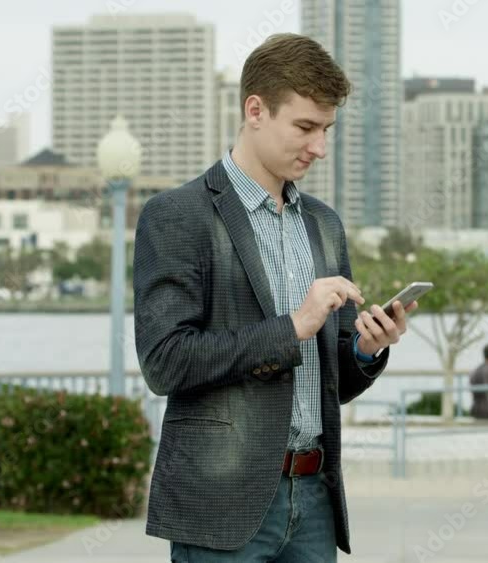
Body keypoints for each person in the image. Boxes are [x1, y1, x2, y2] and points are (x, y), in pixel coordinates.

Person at [133, 33, 418, 563]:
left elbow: (331, 381)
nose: (319, 148)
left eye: (327, 130)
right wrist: (293, 326)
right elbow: (164, 363)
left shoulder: (324, 225)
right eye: (306, 127)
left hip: (313, 502)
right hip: (222, 508)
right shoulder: (176, 216)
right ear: (256, 110)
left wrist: (365, 349)